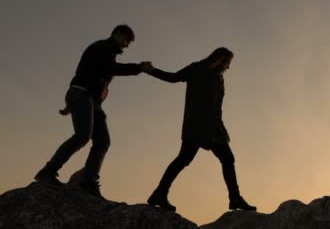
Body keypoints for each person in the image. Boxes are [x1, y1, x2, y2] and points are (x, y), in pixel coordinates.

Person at [35, 24, 149, 199]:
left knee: (103, 140)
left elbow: (95, 76)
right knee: (82, 136)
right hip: (82, 94)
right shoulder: (102, 48)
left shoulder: (108, 53)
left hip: (89, 101)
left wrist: (71, 105)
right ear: (118, 35)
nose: (126, 46)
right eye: (126, 41)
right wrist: (139, 68)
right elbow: (108, 70)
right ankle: (47, 172)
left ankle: (88, 182)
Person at [143, 47, 256, 212]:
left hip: (214, 128)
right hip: (196, 125)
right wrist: (151, 71)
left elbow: (217, 106)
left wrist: (220, 126)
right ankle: (159, 194)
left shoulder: (219, 78)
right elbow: (173, 77)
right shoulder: (197, 69)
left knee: (227, 159)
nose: (228, 67)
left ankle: (235, 199)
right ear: (219, 59)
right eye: (227, 63)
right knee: (183, 159)